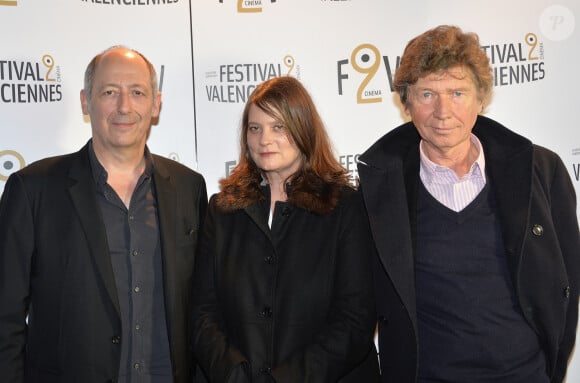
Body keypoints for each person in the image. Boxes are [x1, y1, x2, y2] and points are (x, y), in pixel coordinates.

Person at [357, 24, 580, 383]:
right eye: (427, 93)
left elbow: (565, 285)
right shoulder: (380, 189)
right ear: (406, 102)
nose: (443, 111)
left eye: (457, 92)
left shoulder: (541, 171)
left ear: (481, 99)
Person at [0, 46, 208, 383]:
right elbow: (5, 316)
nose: (124, 106)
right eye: (110, 92)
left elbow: (202, 306)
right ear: (86, 101)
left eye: (137, 92)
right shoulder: (33, 189)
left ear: (155, 104)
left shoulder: (189, 188)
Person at [191, 76, 379, 382]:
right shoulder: (223, 210)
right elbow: (202, 312)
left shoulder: (345, 207)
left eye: (279, 126)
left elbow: (355, 319)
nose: (265, 139)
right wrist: (235, 376)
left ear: (303, 128)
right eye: (255, 128)